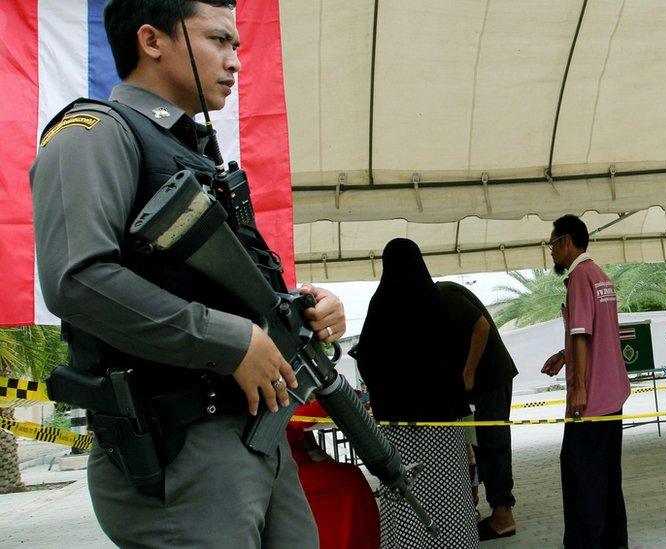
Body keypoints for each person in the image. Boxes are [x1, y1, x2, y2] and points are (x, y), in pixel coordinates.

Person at [30, 1, 346, 546]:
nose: (235, 62)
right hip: (179, 448)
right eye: (219, 41)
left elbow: (217, 284)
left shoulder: (192, 153)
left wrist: (301, 309)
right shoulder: (92, 133)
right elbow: (76, 279)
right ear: (153, 41)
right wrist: (231, 342)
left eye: (236, 46)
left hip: (253, 436)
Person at [355, 238, 477, 548]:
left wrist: (388, 391)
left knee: (406, 494)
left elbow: (367, 358)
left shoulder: (380, 304)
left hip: (399, 428)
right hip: (443, 425)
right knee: (449, 492)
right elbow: (455, 349)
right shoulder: (436, 302)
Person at [540, 215, 630, 549]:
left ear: (565, 241)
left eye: (552, 244)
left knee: (580, 476)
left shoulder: (579, 277)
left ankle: (584, 543)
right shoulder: (599, 274)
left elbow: (581, 333)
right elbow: (592, 332)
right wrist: (564, 355)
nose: (551, 253)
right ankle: (614, 541)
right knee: (607, 476)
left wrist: (578, 387)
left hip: (590, 399)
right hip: (613, 392)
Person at [435, 280, 519, 540]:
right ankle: (497, 512)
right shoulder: (434, 303)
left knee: (494, 444)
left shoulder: (443, 294)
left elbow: (480, 326)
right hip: (479, 386)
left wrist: (468, 371)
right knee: (482, 446)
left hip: (490, 378)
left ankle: (504, 516)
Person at [285, 401, 381, 549]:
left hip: (293, 462)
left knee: (349, 475)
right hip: (287, 468)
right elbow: (299, 417)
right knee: (349, 479)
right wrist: (340, 398)